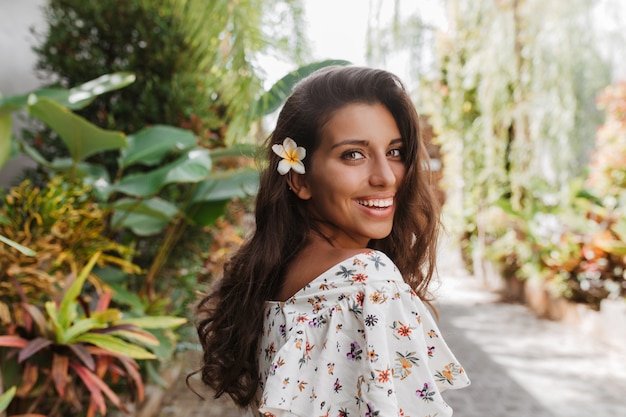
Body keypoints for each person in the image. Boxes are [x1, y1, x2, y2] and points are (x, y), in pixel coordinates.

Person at [194, 65, 470, 417]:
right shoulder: (367, 279)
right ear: (298, 179)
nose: (385, 176)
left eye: (395, 152)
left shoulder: (273, 272)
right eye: (353, 154)